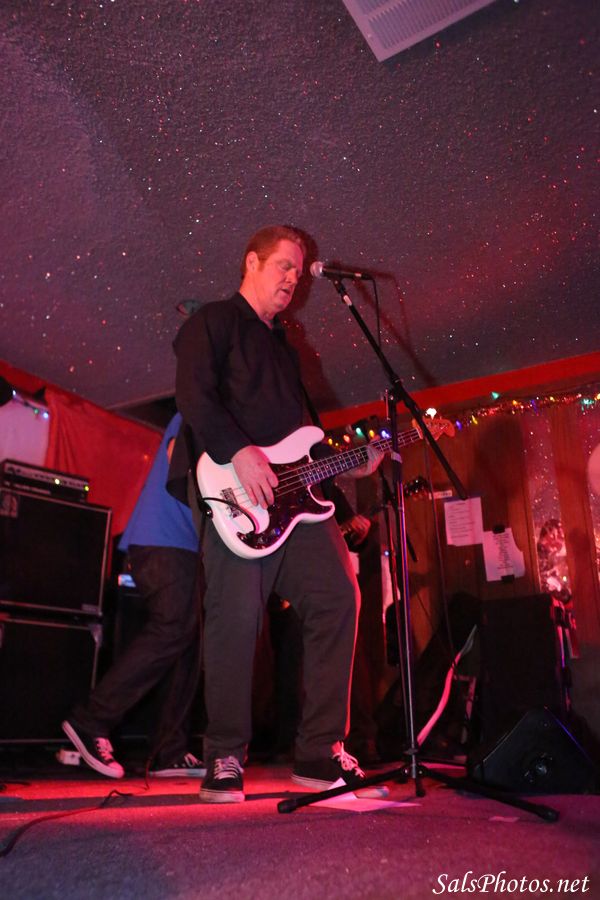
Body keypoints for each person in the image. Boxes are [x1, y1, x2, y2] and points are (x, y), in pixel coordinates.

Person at [167, 225, 385, 803]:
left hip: (297, 508)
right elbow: (193, 395)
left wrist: (350, 469)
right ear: (251, 262)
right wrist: (239, 452)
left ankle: (319, 753)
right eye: (285, 265)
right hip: (235, 491)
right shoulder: (213, 322)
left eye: (299, 269)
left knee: (340, 597)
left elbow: (303, 444)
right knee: (236, 618)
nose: (294, 277)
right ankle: (224, 754)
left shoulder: (288, 349)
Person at [62, 412, 205, 778]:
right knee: (174, 626)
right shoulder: (201, 406)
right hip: (163, 541)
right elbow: (178, 458)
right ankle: (90, 720)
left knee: (188, 639)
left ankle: (169, 750)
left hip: (184, 546)